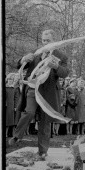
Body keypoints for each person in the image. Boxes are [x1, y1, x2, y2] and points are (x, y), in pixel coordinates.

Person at [9, 30, 69, 158]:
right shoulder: (36, 53)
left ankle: (42, 152)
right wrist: (23, 60)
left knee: (45, 123)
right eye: (43, 40)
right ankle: (17, 136)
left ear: (55, 41)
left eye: (48, 40)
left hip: (48, 93)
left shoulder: (61, 56)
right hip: (32, 89)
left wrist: (56, 67)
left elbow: (65, 73)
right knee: (29, 111)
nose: (45, 43)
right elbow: (18, 65)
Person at [5, 73, 20, 137]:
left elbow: (16, 98)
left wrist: (15, 106)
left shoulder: (15, 88)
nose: (11, 80)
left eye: (13, 79)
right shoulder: (3, 86)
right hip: (5, 105)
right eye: (10, 79)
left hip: (11, 105)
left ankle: (7, 134)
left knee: (9, 121)